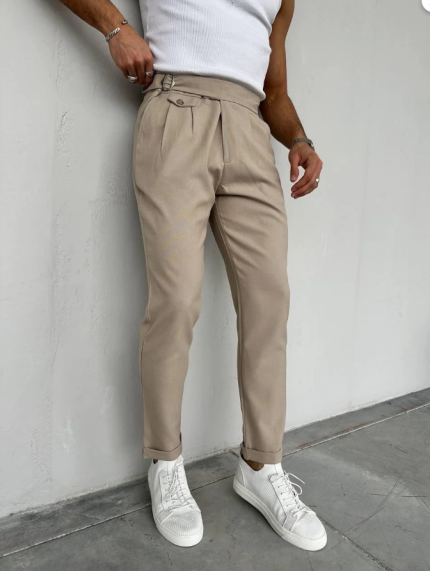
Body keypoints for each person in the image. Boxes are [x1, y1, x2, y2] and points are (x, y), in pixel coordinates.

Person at [59, 0, 326, 551]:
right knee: (176, 300)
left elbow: (274, 91)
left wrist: (300, 139)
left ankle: (261, 465)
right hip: (176, 110)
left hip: (250, 129)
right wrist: (116, 28)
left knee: (269, 300)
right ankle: (165, 461)